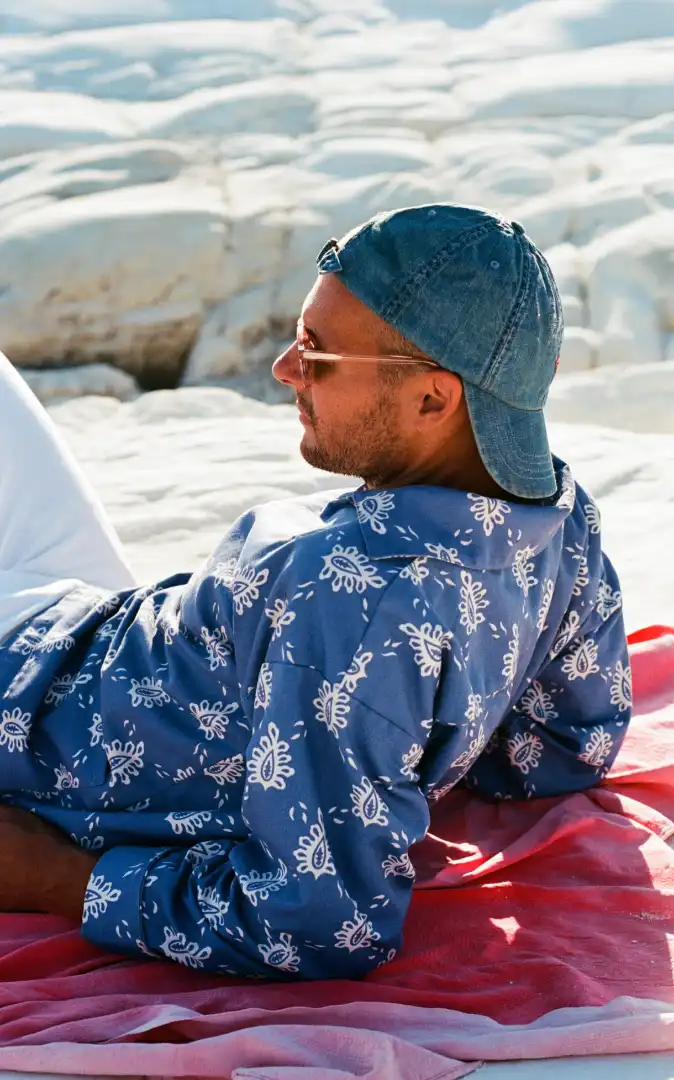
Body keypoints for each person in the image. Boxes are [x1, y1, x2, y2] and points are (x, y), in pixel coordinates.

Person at [0, 204, 631, 979]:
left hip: (25, 701)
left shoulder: (347, 603)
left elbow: (320, 923)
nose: (284, 369)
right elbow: (563, 752)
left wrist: (47, 876)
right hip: (88, 624)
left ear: (433, 399)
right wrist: (407, 737)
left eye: (316, 353)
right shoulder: (558, 519)